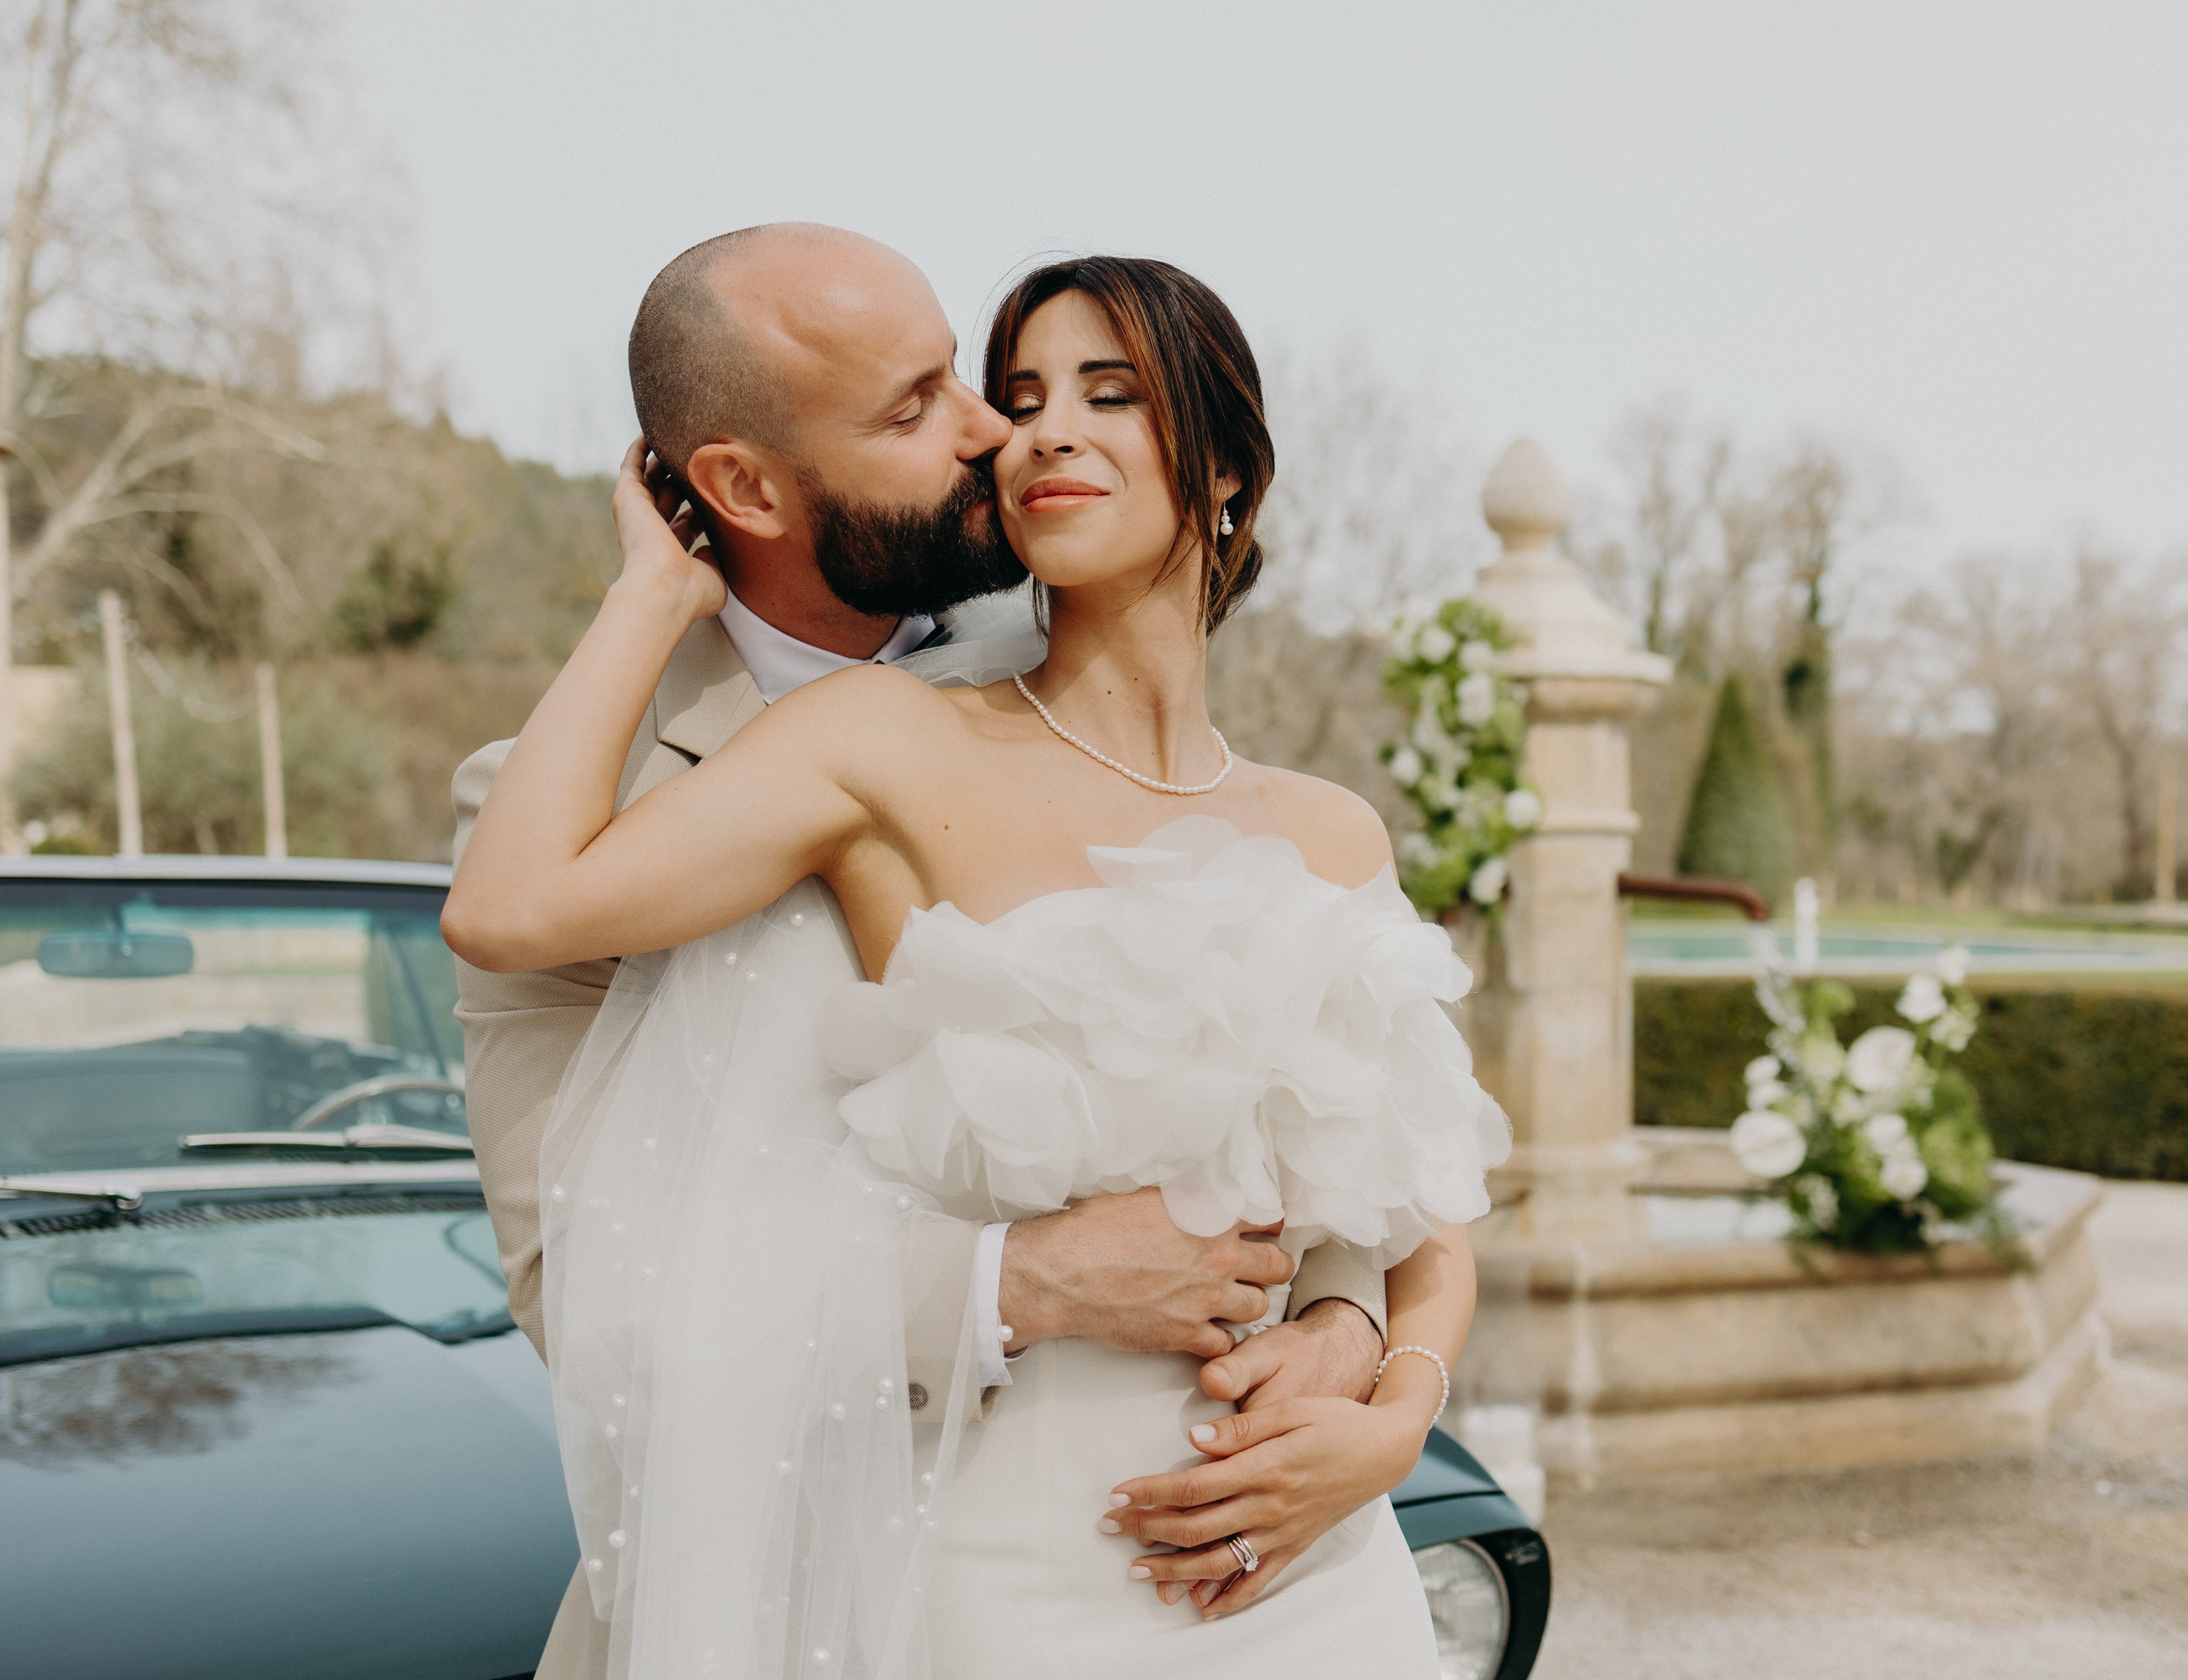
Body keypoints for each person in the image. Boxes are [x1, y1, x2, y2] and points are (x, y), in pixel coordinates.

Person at [447, 237, 1506, 1679]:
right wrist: (1037, 1279)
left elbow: (1410, 1203)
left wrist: (1379, 1397)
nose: (1009, 430)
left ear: (1226, 473)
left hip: (1306, 1577)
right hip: (956, 1569)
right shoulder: (849, 752)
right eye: (951, 397)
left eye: (1094, 393)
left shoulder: (1322, 827)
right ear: (742, 487)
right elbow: (602, 1306)